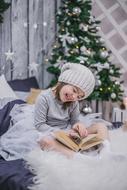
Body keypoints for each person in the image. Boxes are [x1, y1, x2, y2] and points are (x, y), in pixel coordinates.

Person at [34, 63, 109, 158]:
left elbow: (74, 121)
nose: (74, 97)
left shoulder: (74, 102)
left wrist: (78, 125)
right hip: (50, 132)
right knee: (45, 141)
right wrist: (61, 133)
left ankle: (106, 152)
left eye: (79, 96)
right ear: (62, 82)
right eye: (74, 90)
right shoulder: (44, 98)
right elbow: (40, 125)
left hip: (69, 133)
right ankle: (78, 158)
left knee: (101, 126)